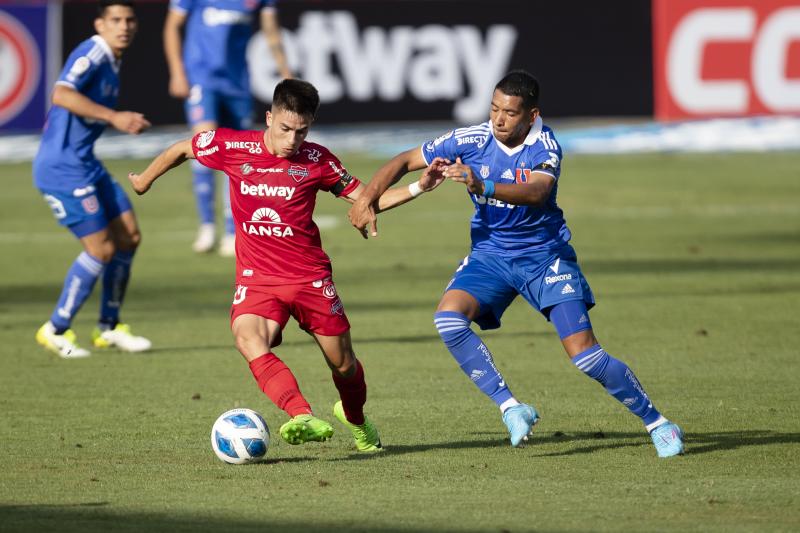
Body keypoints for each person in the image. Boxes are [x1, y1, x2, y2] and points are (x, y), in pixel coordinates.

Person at [348, 70, 685, 458]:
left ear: (531, 115)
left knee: (585, 354)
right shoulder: (473, 139)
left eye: (509, 112)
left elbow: (538, 192)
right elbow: (405, 159)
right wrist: (366, 198)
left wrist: (483, 186)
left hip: (544, 258)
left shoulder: (545, 145)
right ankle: (512, 408)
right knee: (448, 319)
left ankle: (658, 423)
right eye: (493, 109)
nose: (498, 119)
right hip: (491, 255)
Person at [128, 79, 443, 450]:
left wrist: (419, 187)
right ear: (269, 118)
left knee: (343, 365)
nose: (293, 139)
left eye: (302, 131)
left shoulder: (318, 160)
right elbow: (184, 148)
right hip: (258, 279)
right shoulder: (232, 146)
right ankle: (300, 414)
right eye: (285, 129)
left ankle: (356, 418)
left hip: (309, 278)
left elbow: (367, 199)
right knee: (248, 338)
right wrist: (144, 181)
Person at [33, 0, 152, 359]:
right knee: (100, 249)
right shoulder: (94, 51)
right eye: (115, 20)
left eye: (130, 19)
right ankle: (55, 328)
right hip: (62, 168)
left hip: (85, 163)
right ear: (100, 24)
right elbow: (61, 93)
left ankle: (109, 326)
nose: (124, 26)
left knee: (128, 237)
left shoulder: (113, 61)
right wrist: (114, 117)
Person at [164, 0, 293, 256]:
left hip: (237, 83)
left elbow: (271, 30)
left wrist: (285, 72)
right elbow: (171, 26)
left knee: (241, 154)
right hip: (202, 78)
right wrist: (177, 72)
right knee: (205, 144)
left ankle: (233, 231)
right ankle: (207, 225)